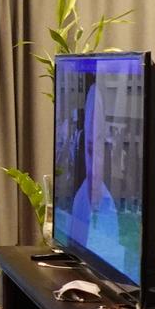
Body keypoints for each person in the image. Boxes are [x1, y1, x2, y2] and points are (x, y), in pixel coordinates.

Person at [65, 80, 123, 261]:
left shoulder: (108, 207)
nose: (94, 164)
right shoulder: (80, 200)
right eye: (89, 149)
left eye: (97, 146)